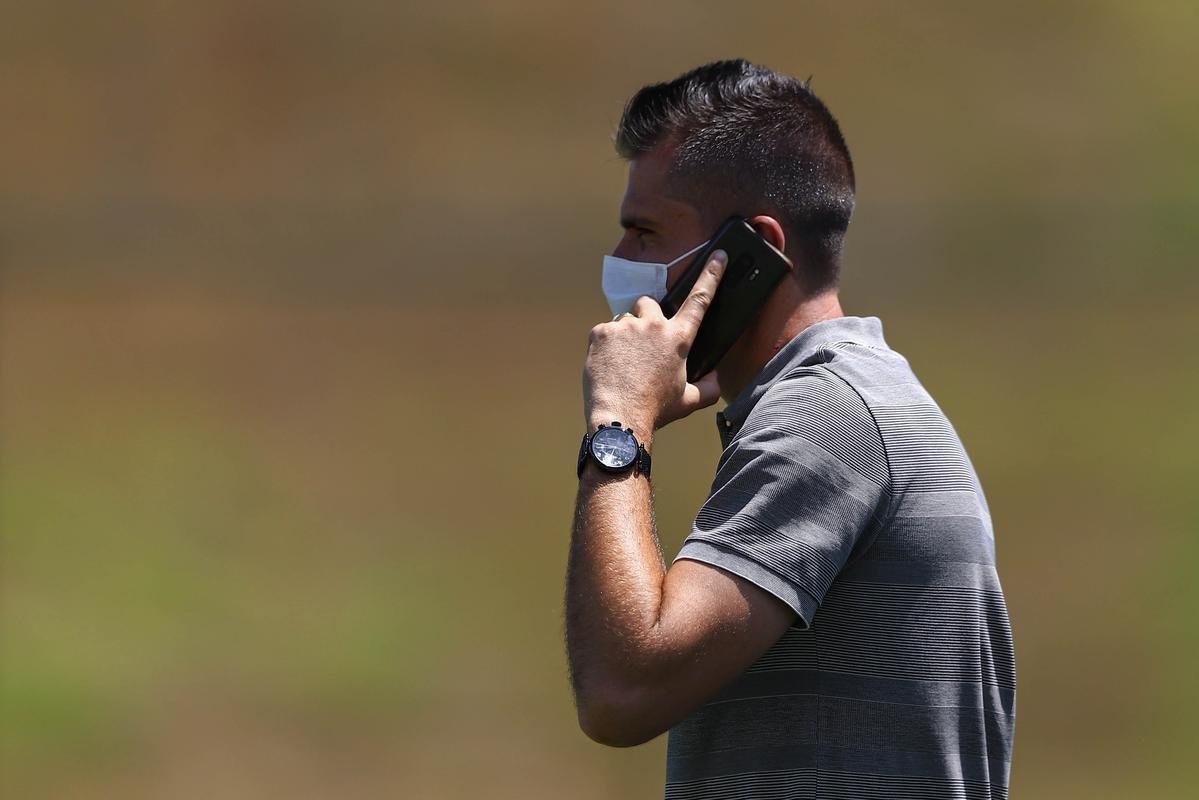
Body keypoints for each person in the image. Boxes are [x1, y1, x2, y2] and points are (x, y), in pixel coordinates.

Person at [564, 59, 1016, 799]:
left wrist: (617, 424)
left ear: (751, 250)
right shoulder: (844, 396)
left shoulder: (825, 414)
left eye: (644, 232)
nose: (621, 265)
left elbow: (623, 691)